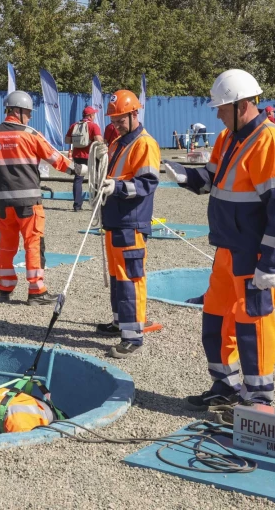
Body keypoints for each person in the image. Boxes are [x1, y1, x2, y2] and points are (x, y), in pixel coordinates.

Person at [163, 69, 275, 420]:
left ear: (242, 105)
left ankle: (258, 398)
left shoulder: (270, 139)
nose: (217, 113)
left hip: (252, 253)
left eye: (222, 108)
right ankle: (225, 386)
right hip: (226, 247)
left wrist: (271, 263)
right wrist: (184, 176)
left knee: (253, 320)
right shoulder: (228, 138)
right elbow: (209, 179)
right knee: (216, 317)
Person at [0, 90, 76, 305]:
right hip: (29, 202)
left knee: (6, 245)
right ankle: (36, 291)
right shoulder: (31, 134)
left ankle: (5, 289)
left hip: (4, 203)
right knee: (33, 244)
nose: (30, 117)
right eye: (29, 113)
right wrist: (80, 170)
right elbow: (56, 159)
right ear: (19, 111)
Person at [94, 90, 161, 359]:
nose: (116, 124)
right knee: (117, 276)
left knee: (130, 279)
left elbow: (147, 184)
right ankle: (120, 322)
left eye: (120, 119)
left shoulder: (144, 144)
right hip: (115, 219)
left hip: (130, 221)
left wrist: (117, 186)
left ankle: (133, 335)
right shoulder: (119, 142)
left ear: (135, 114)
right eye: (114, 119)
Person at [65, 106, 104, 211]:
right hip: (91, 156)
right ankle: (96, 204)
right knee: (95, 179)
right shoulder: (93, 126)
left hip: (77, 156)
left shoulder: (74, 126)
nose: (94, 116)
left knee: (78, 180)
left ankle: (77, 205)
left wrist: (78, 141)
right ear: (91, 116)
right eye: (94, 114)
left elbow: (67, 140)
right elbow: (99, 140)